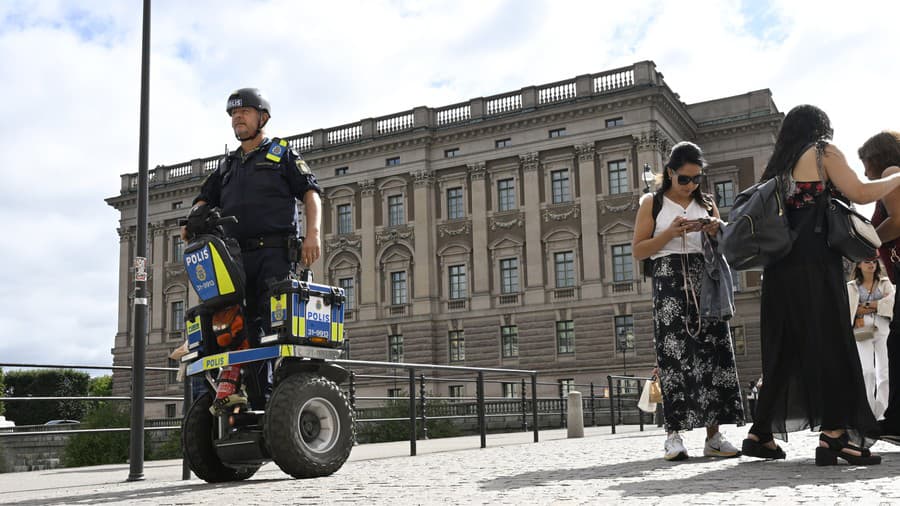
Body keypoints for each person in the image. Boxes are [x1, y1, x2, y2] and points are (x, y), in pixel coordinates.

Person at [741, 105, 900, 466]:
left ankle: (760, 433)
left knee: (785, 352)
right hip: (814, 265)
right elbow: (859, 192)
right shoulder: (821, 151)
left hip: (779, 270)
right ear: (820, 128)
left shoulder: (778, 167)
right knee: (830, 345)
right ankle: (834, 436)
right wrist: (896, 178)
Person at [182, 88, 323, 409]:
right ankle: (237, 388)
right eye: (233, 114)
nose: (237, 118)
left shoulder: (282, 154)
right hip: (233, 257)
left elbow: (311, 193)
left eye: (243, 112)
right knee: (231, 322)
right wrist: (193, 218)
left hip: (274, 254)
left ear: (262, 117)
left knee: (269, 324)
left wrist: (313, 234)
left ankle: (269, 394)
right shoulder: (228, 165)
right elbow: (204, 197)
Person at [632, 141, 745, 461]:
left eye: (697, 178)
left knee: (715, 354)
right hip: (668, 281)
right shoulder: (651, 203)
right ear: (670, 173)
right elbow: (639, 250)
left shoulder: (707, 202)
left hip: (706, 278)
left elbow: (724, 246)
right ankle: (674, 435)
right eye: (684, 178)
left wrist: (714, 229)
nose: (691, 185)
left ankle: (714, 436)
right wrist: (669, 233)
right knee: (674, 357)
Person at [860, 129, 900, 443]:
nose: (864, 174)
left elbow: (898, 219)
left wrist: (867, 240)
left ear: (877, 158)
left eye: (865, 165)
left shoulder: (892, 172)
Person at [846, 258, 893, 421]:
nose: (872, 264)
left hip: (883, 325)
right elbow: (850, 308)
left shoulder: (886, 283)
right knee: (867, 371)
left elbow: (891, 302)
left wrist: (865, 306)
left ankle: (882, 413)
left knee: (884, 372)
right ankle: (867, 411)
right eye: (867, 262)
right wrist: (877, 304)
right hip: (861, 327)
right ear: (859, 265)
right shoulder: (851, 287)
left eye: (874, 261)